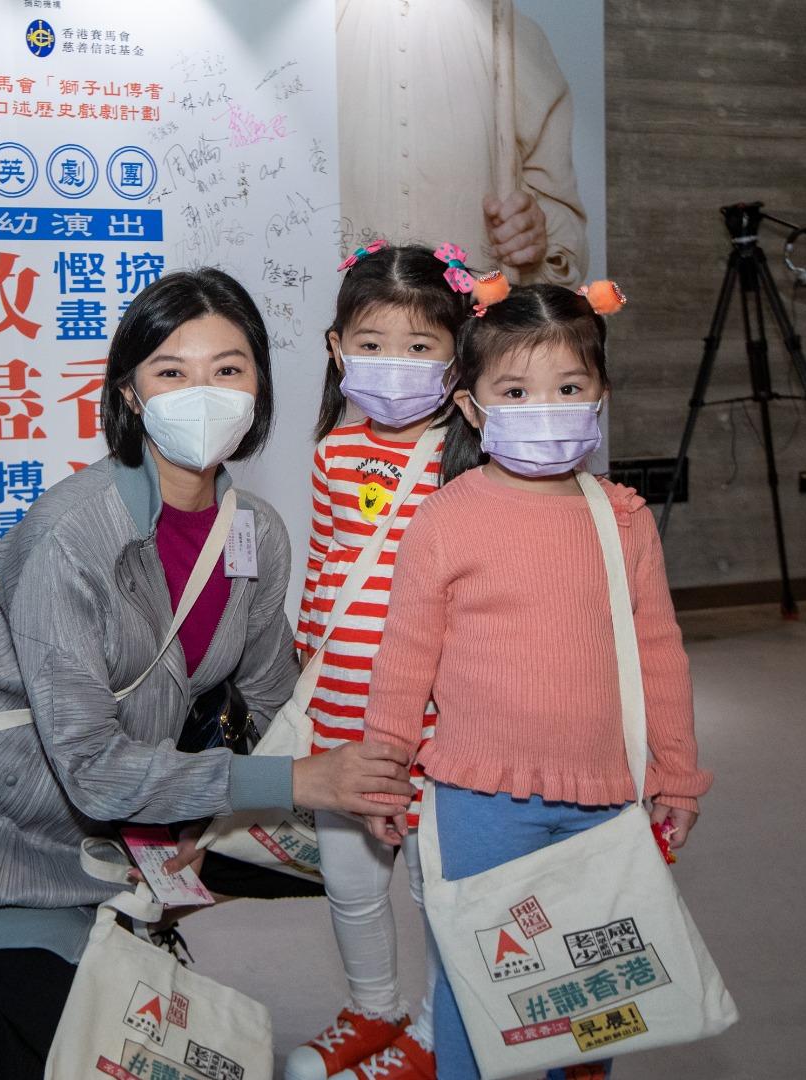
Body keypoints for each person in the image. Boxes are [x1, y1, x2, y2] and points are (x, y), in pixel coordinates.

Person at [0, 269, 418, 1079]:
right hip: (11, 833)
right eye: (173, 371)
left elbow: (272, 699)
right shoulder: (70, 534)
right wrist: (297, 778)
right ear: (130, 394)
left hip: (137, 819)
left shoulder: (255, 532)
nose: (204, 393)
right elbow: (92, 771)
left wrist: (324, 783)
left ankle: (126, 920)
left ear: (259, 387)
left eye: (228, 369)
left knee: (343, 834)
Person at [360, 282, 712, 1080]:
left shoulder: (624, 518)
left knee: (592, 989)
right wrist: (383, 773)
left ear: (601, 396)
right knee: (476, 977)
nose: (544, 408)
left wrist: (678, 775)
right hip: (478, 797)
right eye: (516, 392)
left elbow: (660, 654)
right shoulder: (446, 518)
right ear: (472, 406)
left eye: (569, 387)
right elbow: (405, 656)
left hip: (606, 795)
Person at [285, 243, 470, 1080]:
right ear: (337, 349)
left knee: (438, 889)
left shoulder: (470, 455)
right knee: (352, 882)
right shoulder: (331, 452)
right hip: (342, 710)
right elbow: (325, 567)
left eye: (420, 345)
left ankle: (433, 1032)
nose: (394, 363)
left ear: (457, 354)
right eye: (372, 342)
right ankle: (373, 1008)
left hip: (440, 719)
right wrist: (306, 671)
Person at [335, 0, 589, 287]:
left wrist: (532, 234)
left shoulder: (515, 39)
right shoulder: (313, 37)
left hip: (474, 309)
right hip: (337, 308)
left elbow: (566, 233)